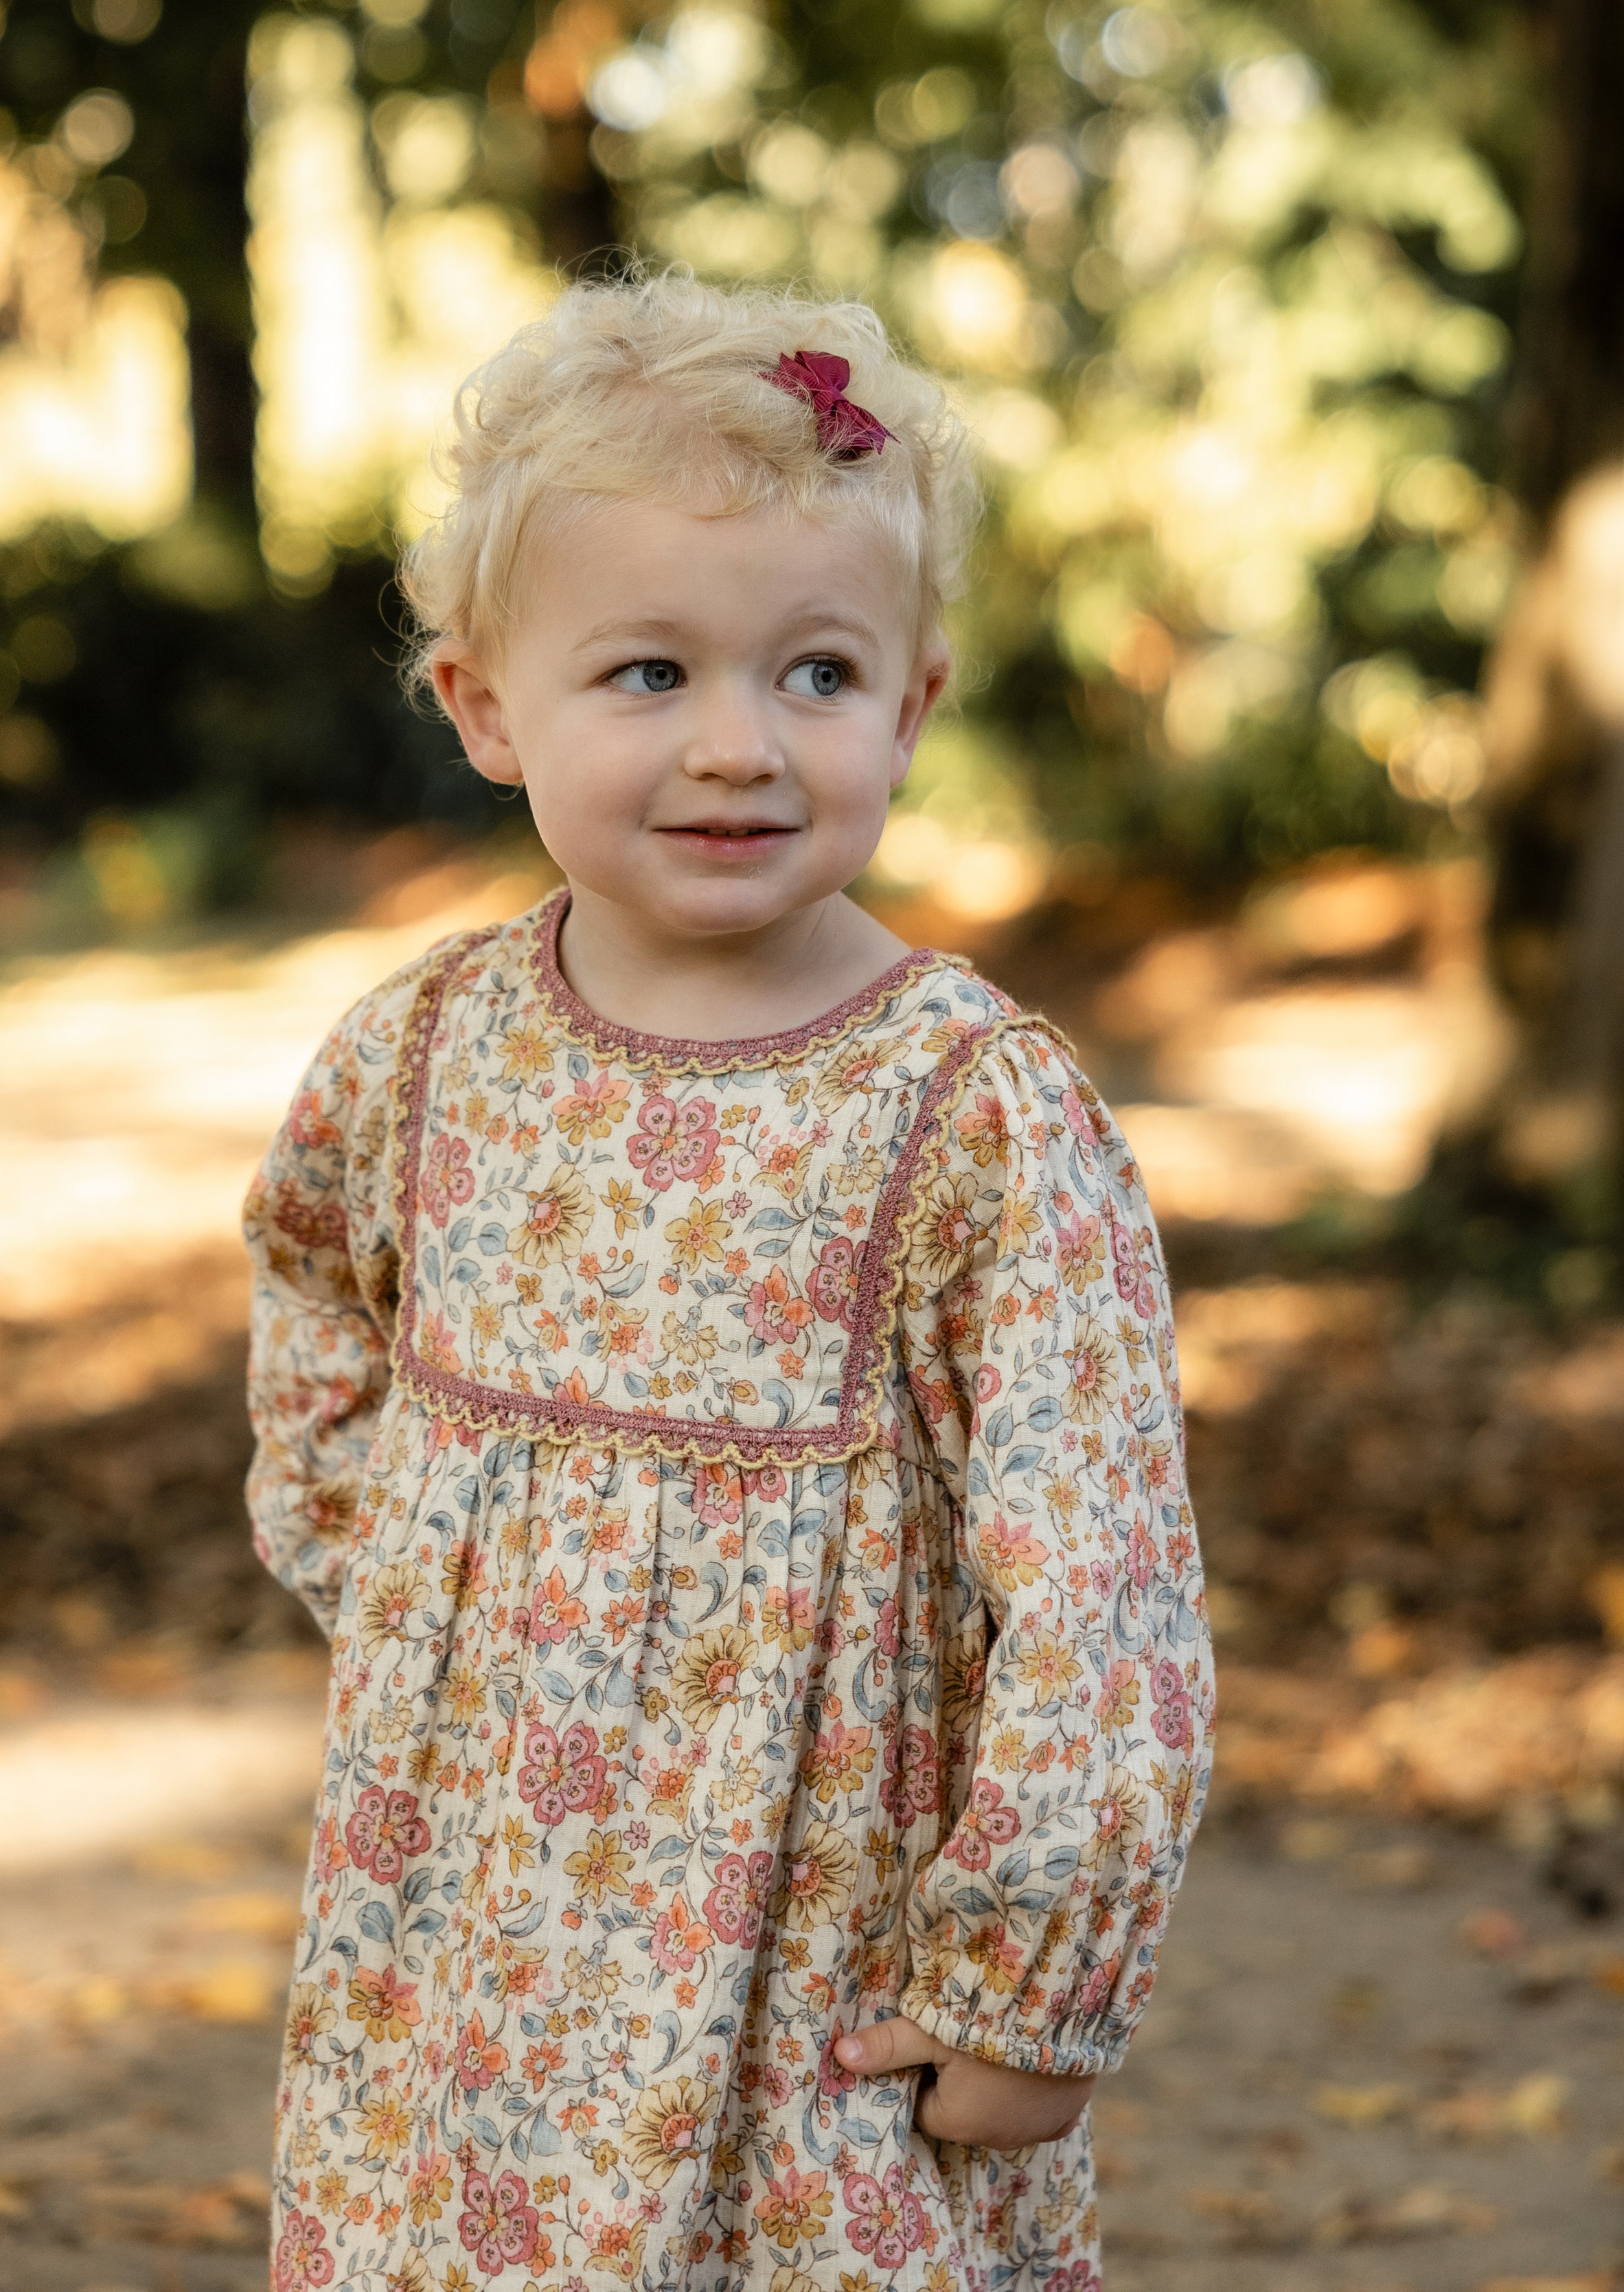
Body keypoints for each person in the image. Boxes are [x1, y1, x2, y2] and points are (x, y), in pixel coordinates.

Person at [244, 273, 1213, 2292]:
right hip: (468, 1962)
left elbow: (1100, 1581)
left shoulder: (972, 1116)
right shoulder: (424, 1057)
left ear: (912, 707)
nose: (737, 746)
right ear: (485, 708)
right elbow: (318, 1293)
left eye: (818, 673)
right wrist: (421, 1597)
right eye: (648, 673)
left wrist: (1030, 1980)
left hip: (818, 1978)